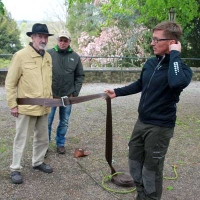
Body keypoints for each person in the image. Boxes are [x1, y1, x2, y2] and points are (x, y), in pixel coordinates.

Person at [105, 21, 193, 200]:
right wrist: (118, 92)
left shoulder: (182, 70)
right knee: (134, 163)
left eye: (156, 40)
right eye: (152, 39)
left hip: (160, 128)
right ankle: (141, 195)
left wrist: (175, 54)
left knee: (151, 169)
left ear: (172, 42)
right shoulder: (151, 63)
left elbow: (175, 83)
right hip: (142, 122)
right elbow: (141, 83)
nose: (152, 43)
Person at [5, 23, 54, 184]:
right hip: (26, 107)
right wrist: (13, 104)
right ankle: (15, 168)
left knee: (43, 138)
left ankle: (38, 162)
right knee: (21, 139)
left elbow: (48, 81)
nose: (43, 39)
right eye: (40, 36)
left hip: (44, 106)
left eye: (45, 37)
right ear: (32, 37)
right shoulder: (20, 56)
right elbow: (10, 83)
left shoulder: (47, 57)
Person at [47, 30, 84, 154]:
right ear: (57, 41)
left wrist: (75, 92)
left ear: (69, 42)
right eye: (61, 40)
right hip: (51, 96)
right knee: (47, 122)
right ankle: (44, 146)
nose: (63, 43)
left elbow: (80, 76)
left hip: (67, 96)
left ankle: (60, 143)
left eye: (65, 40)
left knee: (64, 121)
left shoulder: (75, 57)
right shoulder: (49, 54)